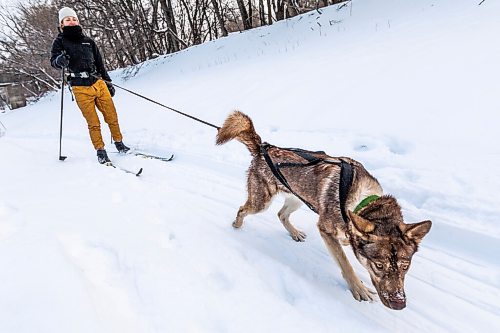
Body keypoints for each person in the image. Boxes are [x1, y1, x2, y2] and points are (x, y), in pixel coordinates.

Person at [50, 7, 130, 164]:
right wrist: (60, 60)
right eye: (68, 19)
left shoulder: (89, 41)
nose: (71, 21)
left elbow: (100, 64)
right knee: (94, 122)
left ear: (78, 21)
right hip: (80, 88)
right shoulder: (59, 42)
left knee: (111, 116)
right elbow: (53, 62)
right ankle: (100, 150)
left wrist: (108, 83)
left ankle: (119, 142)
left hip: (98, 83)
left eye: (74, 19)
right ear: (61, 23)